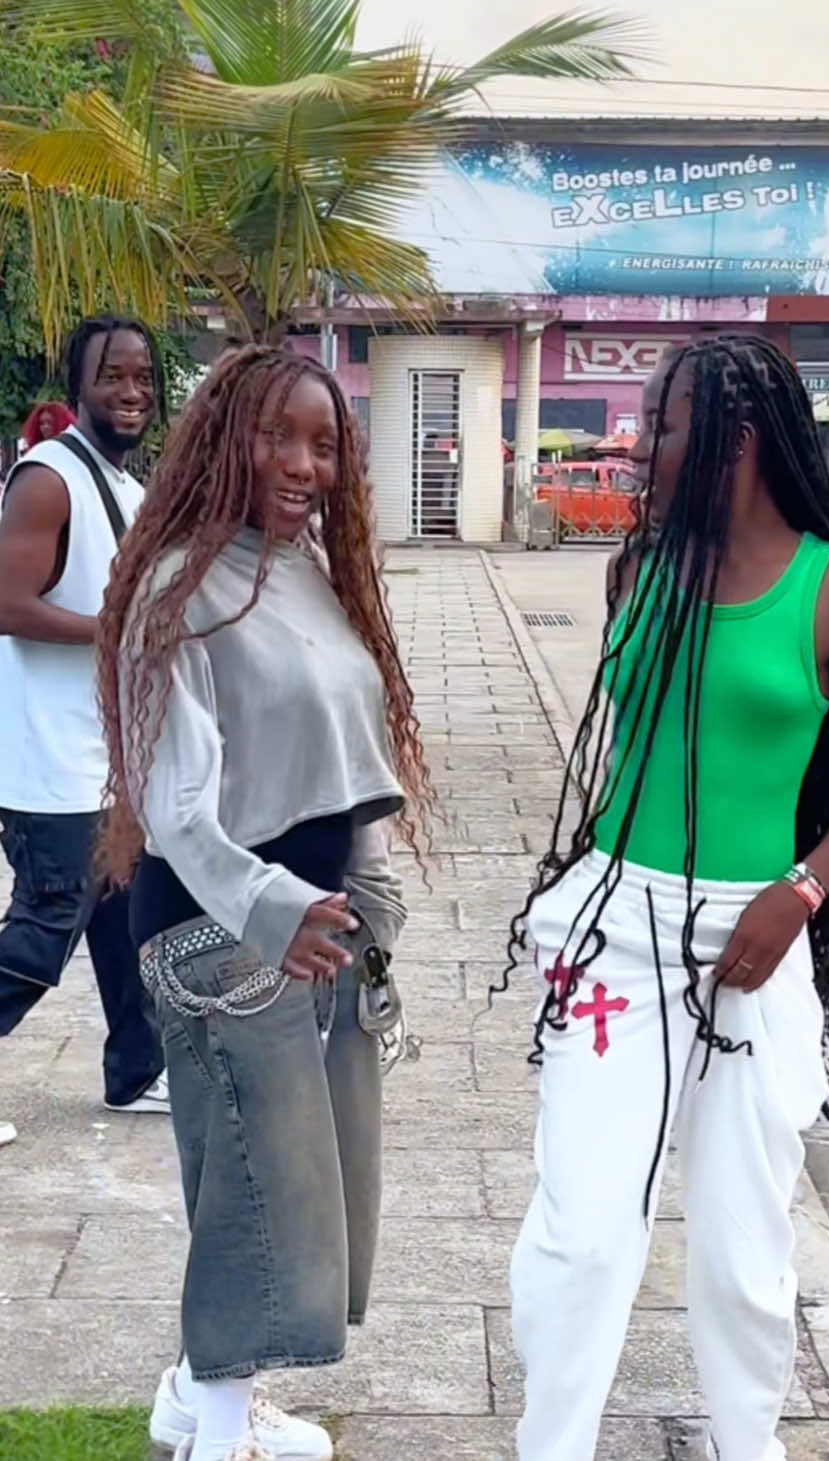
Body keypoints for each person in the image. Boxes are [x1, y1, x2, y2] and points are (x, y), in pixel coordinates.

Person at [502, 335, 829, 1461]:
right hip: (613, 929)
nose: (640, 447)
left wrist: (803, 889)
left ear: (735, 440)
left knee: (740, 1244)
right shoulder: (636, 569)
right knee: (585, 1229)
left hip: (756, 939)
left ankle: (746, 1443)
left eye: (663, 425)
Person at [94, 344, 434, 1461]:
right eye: (276, 436)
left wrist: (367, 894)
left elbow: (349, 751)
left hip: (314, 929)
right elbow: (172, 805)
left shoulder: (307, 570)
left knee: (296, 1182)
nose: (302, 464)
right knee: (258, 1189)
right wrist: (271, 909)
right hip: (217, 930)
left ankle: (195, 1396)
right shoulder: (175, 587)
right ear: (221, 438)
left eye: (323, 444)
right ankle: (221, 1432)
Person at [0, 316, 171, 1149]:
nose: (131, 392)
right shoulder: (49, 479)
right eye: (112, 376)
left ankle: (136, 1070)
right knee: (45, 928)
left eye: (143, 376)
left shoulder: (123, 486)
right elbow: (8, 604)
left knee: (125, 913)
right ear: (78, 388)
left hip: (102, 759)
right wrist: (120, 630)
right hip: (47, 762)